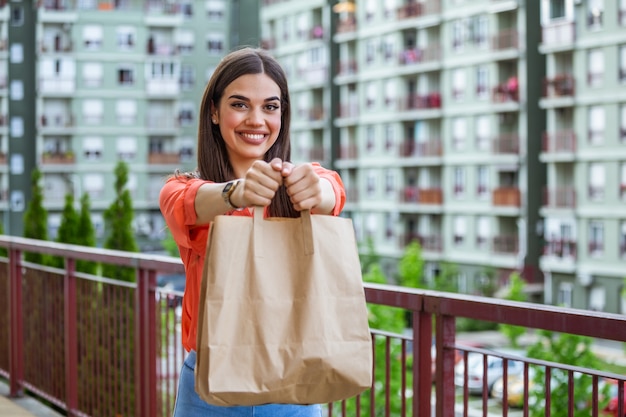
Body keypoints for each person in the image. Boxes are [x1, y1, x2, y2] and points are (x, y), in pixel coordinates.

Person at [159, 46, 346, 417]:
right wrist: (237, 192)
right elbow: (190, 203)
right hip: (209, 389)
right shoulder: (183, 189)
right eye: (240, 104)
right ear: (214, 111)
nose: (256, 119)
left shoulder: (300, 182)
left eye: (271, 106)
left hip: (294, 387)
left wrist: (317, 190)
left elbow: (332, 190)